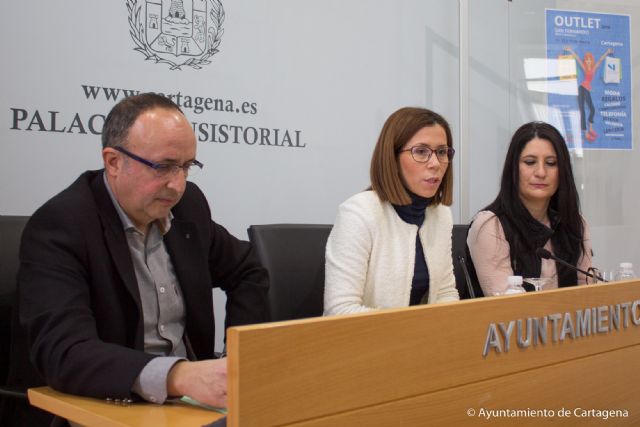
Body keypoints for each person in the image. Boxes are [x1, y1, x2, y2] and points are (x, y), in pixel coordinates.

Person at [18, 93, 269, 409]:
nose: (177, 185)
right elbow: (65, 351)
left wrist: (237, 357)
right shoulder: (61, 225)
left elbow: (247, 270)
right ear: (114, 162)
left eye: (186, 167)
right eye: (163, 167)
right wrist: (180, 376)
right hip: (111, 403)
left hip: (193, 405)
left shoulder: (188, 206)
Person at [324, 107, 459, 315]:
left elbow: (445, 293)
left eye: (442, 152)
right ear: (392, 158)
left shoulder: (440, 215)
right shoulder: (359, 212)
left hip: (422, 340)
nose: (435, 164)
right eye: (421, 151)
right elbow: (340, 310)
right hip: (363, 342)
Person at [467, 121, 593, 296]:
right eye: (530, 162)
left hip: (569, 322)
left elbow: (589, 293)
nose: (541, 172)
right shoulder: (490, 226)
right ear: (513, 169)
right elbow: (506, 309)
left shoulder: (576, 223)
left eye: (551, 163)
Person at [564, 46, 613, 142]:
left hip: (586, 89)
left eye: (590, 60)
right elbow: (577, 58)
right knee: (582, 111)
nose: (588, 61)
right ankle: (586, 133)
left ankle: (591, 129)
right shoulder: (585, 68)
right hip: (582, 89)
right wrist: (570, 50)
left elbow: (600, 60)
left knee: (592, 109)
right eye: (587, 60)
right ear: (586, 61)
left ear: (592, 60)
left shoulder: (593, 69)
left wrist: (607, 52)